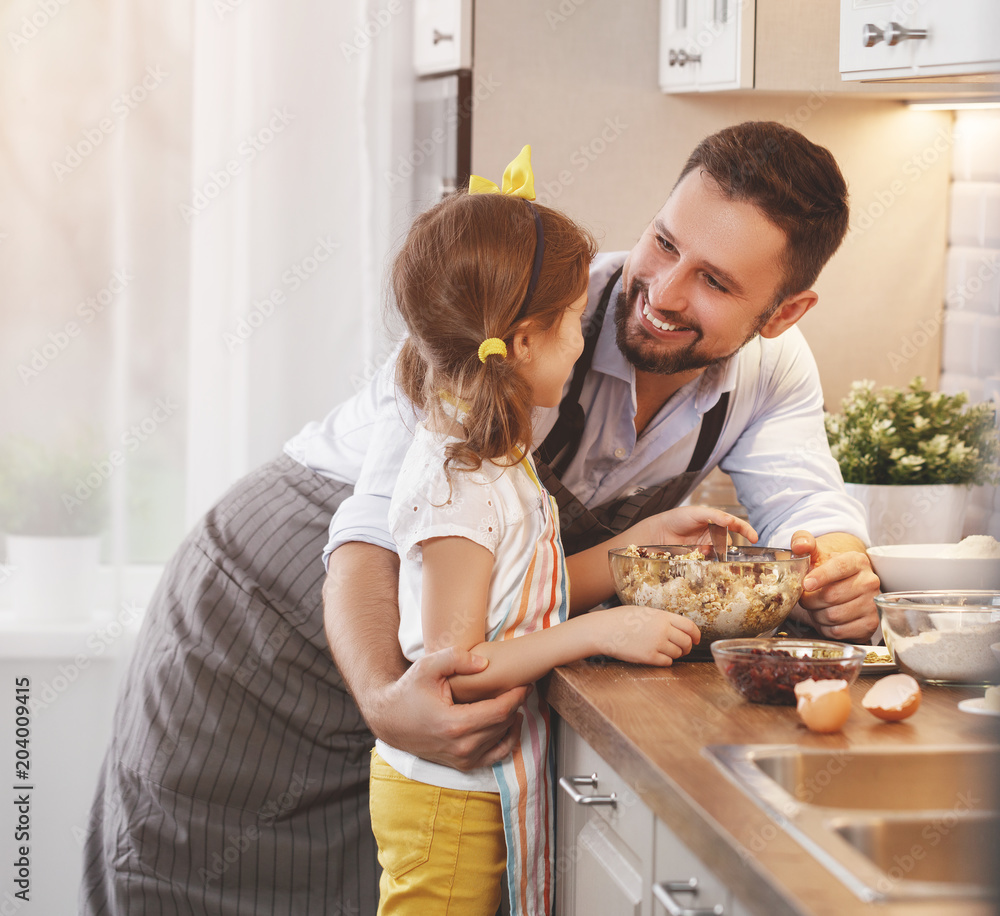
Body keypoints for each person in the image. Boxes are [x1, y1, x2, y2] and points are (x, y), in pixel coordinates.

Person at [81, 120, 879, 916]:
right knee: (204, 881)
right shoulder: (521, 314)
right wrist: (385, 698)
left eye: (716, 282)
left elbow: (805, 500)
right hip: (279, 610)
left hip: (451, 642)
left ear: (783, 311)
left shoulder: (773, 370)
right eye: (663, 244)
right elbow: (365, 532)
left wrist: (836, 563)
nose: (663, 293)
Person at [367, 147, 756, 916]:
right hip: (447, 803)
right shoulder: (457, 485)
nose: (585, 341)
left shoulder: (496, 457)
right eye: (573, 322)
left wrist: (644, 543)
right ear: (522, 346)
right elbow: (458, 670)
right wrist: (601, 632)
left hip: (483, 787)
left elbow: (526, 595)